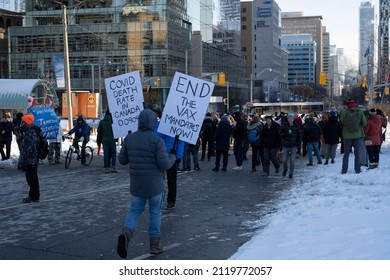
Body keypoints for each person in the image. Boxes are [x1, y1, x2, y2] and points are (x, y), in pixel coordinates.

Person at [117, 109, 176, 258]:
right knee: (155, 212)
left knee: (135, 210)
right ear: (152, 123)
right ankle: (154, 245)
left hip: (136, 184)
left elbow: (122, 160)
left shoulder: (130, 139)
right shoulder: (157, 141)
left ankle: (126, 234)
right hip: (155, 185)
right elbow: (164, 164)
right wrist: (173, 157)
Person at [154, 114, 184, 210]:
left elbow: (181, 141)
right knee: (159, 179)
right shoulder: (159, 124)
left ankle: (171, 200)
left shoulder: (178, 125)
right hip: (161, 154)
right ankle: (160, 199)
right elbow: (155, 137)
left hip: (172, 155)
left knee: (171, 180)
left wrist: (179, 155)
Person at [19, 114, 43, 203]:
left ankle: (35, 197)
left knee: (32, 179)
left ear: (27, 123)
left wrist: (25, 154)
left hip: (31, 160)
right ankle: (32, 195)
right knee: (30, 178)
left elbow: (32, 146)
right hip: (29, 159)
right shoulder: (28, 130)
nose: (21, 123)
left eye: (23, 122)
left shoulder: (31, 132)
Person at [340, 98, 367, 174]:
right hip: (357, 135)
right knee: (357, 154)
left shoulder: (344, 112)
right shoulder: (360, 111)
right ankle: (357, 169)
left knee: (346, 154)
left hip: (347, 136)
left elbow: (342, 121)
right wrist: (359, 126)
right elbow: (364, 123)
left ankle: (344, 170)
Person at [280, 112, 301, 179]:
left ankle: (291, 173)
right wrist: (285, 134)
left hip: (293, 146)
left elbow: (299, 137)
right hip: (286, 145)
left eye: (291, 118)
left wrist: (299, 147)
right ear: (287, 119)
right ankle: (285, 169)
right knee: (284, 160)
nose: (290, 119)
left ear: (293, 119)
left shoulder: (297, 126)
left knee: (292, 161)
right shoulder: (284, 125)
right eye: (289, 118)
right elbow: (280, 134)